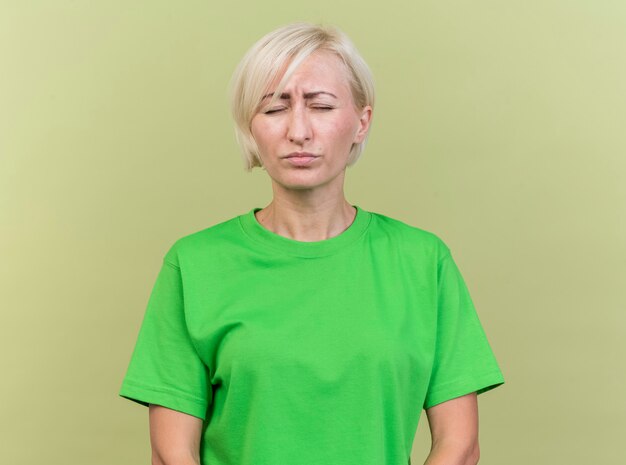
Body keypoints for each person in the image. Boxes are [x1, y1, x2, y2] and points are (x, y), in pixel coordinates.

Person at [119, 21, 505, 465]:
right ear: (251, 127)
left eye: (320, 106)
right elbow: (171, 454)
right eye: (274, 109)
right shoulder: (194, 264)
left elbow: (460, 446)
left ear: (361, 123)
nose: (298, 131)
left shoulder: (423, 262)